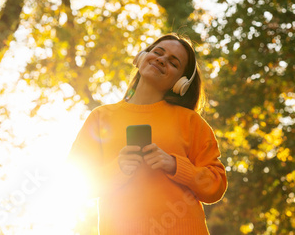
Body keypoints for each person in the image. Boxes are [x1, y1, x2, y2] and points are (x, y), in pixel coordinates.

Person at [68, 33, 227, 234]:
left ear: (181, 83)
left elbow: (216, 184)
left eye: (173, 62)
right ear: (141, 57)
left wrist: (174, 165)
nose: (161, 60)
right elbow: (77, 184)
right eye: (158, 53)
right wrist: (118, 168)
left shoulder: (191, 122)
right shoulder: (101, 117)